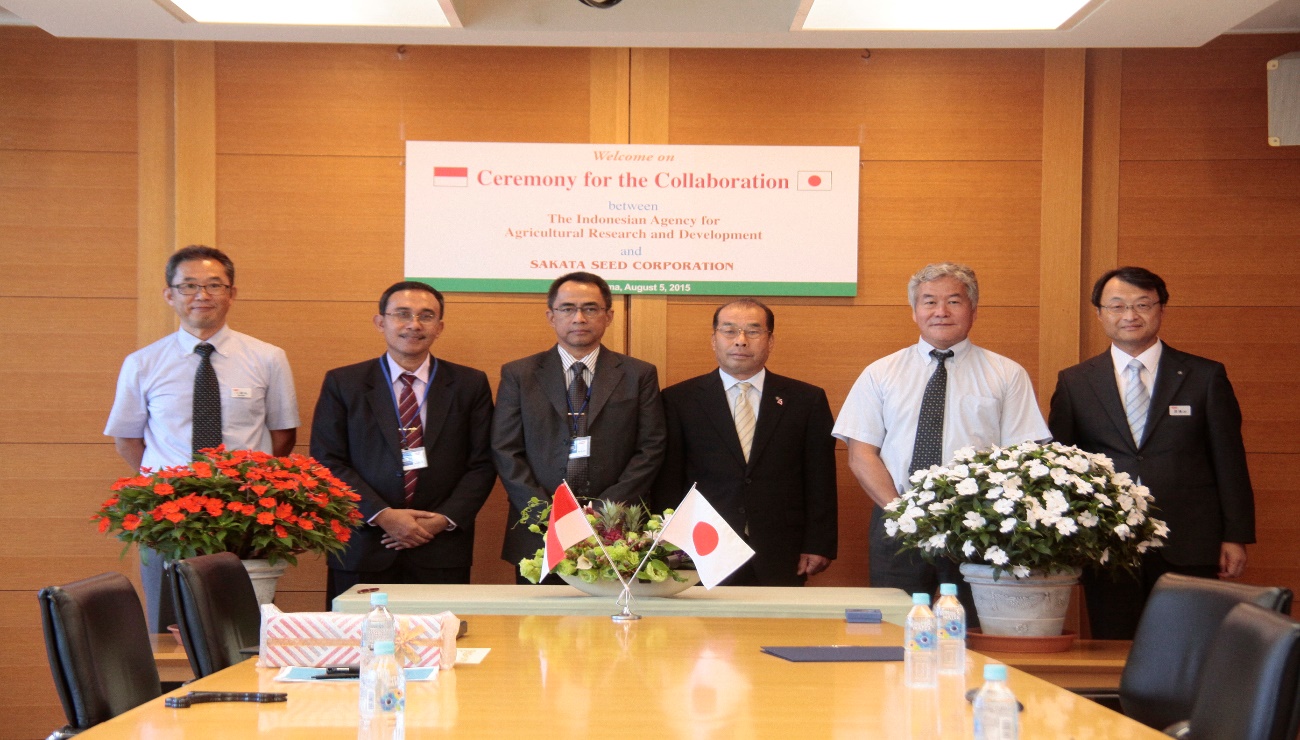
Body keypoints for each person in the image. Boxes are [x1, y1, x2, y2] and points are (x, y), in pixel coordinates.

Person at [833, 262, 1048, 620]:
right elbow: (861, 454)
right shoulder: (880, 373)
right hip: (896, 518)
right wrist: (903, 512)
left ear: (973, 310)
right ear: (914, 311)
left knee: (973, 626)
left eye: (954, 301)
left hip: (979, 525)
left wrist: (986, 513)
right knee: (894, 625)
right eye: (929, 301)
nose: (941, 311)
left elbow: (1023, 455)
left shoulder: (1007, 374)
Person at [1048, 266, 1255, 639]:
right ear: (1099, 313)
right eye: (1117, 306)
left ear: (1161, 309)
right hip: (1107, 543)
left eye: (1142, 304)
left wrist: (1235, 534)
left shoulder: (1204, 376)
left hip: (1189, 540)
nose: (1130, 315)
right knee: (1115, 647)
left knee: (1186, 647)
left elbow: (1229, 460)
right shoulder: (1075, 382)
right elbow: (1062, 468)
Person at [105, 245, 299, 632]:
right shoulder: (143, 363)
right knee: (169, 626)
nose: (201, 295)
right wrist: (169, 482)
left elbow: (283, 434)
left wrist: (246, 481)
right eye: (189, 285)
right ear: (170, 294)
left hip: (244, 514)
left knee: (242, 626)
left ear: (232, 293)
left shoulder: (267, 358)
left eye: (214, 285)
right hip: (168, 516)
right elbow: (127, 440)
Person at [311, 281, 496, 604]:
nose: (414, 324)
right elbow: (327, 460)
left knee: (441, 634)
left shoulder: (469, 384)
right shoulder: (344, 382)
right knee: (357, 634)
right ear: (380, 322)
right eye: (402, 314)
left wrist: (442, 520)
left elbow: (483, 463)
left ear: (439, 327)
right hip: (364, 543)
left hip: (440, 546)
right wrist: (383, 515)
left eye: (426, 316)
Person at [492, 272, 666, 582]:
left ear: (608, 316)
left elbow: (651, 448)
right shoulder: (520, 374)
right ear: (551, 316)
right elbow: (506, 450)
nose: (579, 318)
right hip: (539, 530)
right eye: (568, 308)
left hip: (616, 530)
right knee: (539, 614)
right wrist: (548, 514)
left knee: (612, 611)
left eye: (590, 308)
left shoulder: (638, 374)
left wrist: (603, 512)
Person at [654, 298, 837, 586]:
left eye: (753, 331)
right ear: (713, 340)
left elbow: (820, 478)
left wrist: (819, 543)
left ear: (770, 341)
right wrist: (667, 542)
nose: (740, 340)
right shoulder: (679, 399)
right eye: (729, 331)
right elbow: (669, 480)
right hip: (702, 548)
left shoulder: (806, 400)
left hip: (782, 548)